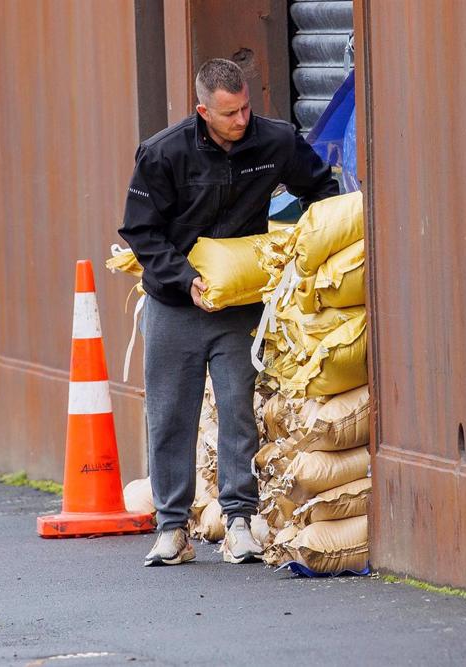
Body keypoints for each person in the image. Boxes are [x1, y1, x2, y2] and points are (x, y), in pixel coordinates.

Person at [119, 58, 339, 566]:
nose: (242, 121)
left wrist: (308, 246)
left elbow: (320, 189)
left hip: (240, 305)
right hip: (175, 304)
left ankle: (240, 520)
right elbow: (140, 231)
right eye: (229, 114)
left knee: (240, 409)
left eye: (245, 108)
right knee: (170, 415)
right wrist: (185, 280)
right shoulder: (163, 153)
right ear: (203, 111)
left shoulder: (275, 141)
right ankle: (172, 529)